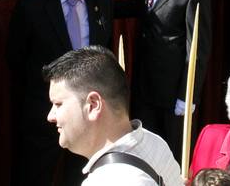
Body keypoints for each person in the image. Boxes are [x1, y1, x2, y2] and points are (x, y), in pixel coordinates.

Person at [7, 0, 114, 186]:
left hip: (88, 113)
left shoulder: (102, 3)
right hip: (45, 115)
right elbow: (16, 59)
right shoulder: (31, 7)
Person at [114, 0, 211, 156]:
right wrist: (104, 6)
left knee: (169, 155)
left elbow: (198, 48)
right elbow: (143, 7)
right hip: (144, 83)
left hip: (171, 93)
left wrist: (186, 97)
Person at [43, 46, 182, 186]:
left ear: (93, 105)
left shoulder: (107, 181)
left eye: (58, 104)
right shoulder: (155, 142)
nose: (50, 116)